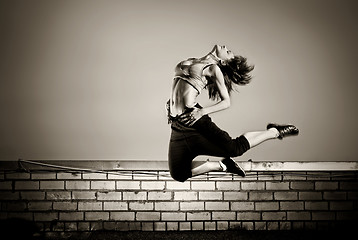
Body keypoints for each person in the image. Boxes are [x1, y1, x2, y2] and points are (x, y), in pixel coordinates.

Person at [167, 44, 299, 182]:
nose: (225, 47)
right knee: (178, 174)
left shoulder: (213, 69)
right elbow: (180, 88)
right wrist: (170, 104)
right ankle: (221, 165)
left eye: (229, 52)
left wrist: (202, 112)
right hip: (178, 122)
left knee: (235, 148)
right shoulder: (194, 60)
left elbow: (226, 102)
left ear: (223, 62)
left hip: (194, 118)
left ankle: (274, 132)